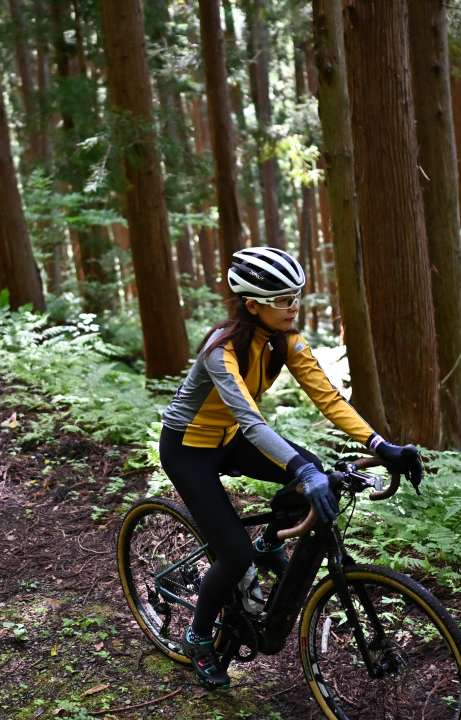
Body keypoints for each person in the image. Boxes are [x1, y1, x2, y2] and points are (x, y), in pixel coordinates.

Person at [159, 246, 424, 689]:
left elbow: (329, 397)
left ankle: (270, 542)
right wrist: (302, 469)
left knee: (312, 468)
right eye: (284, 299)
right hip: (189, 450)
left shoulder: (285, 341)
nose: (294, 306)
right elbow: (252, 422)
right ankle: (198, 636)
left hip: (230, 439)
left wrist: (382, 445)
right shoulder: (220, 351)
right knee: (234, 553)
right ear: (253, 306)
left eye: (296, 295)